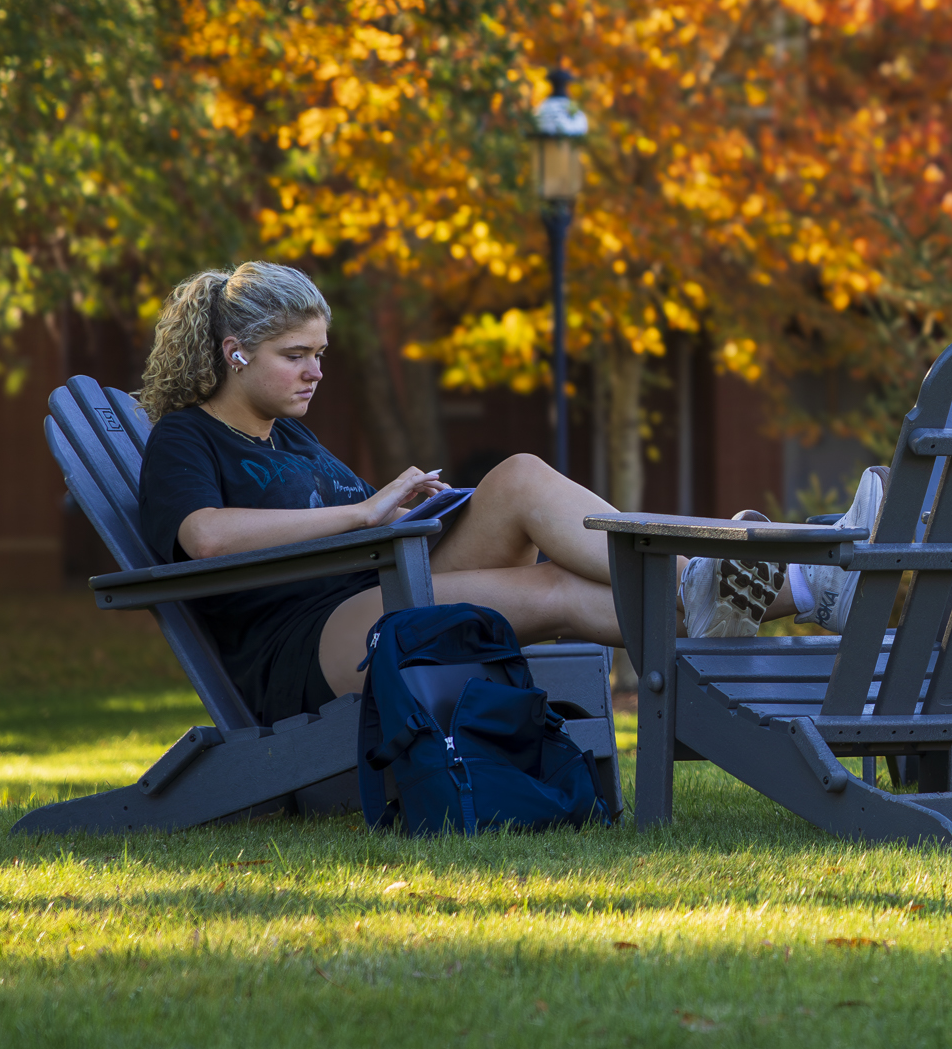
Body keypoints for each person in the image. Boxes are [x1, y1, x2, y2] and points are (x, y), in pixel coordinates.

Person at [133, 261, 871, 725]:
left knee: (517, 474)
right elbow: (204, 537)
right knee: (549, 590)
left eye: (320, 354)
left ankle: (803, 579)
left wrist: (412, 505)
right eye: (295, 356)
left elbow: (361, 524)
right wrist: (364, 511)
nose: (314, 372)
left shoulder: (288, 435)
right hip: (303, 639)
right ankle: (793, 575)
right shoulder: (185, 439)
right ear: (235, 354)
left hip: (374, 579)